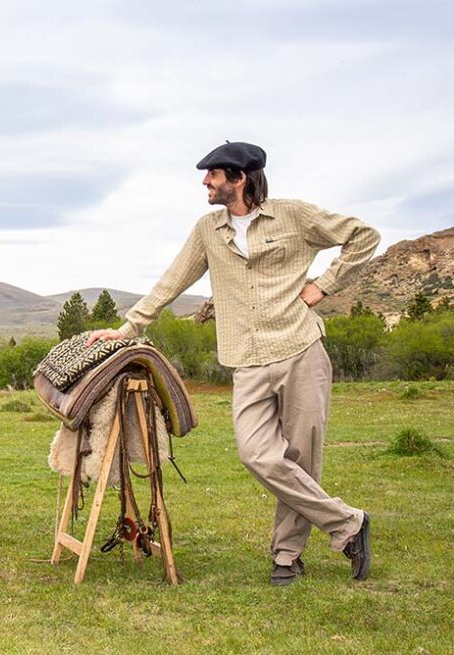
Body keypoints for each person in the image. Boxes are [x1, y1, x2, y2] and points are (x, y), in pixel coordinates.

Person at [88, 142, 378, 585]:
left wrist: (323, 287)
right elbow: (172, 281)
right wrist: (128, 329)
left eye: (213, 175)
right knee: (257, 454)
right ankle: (348, 524)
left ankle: (286, 556)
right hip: (246, 358)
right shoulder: (208, 229)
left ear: (239, 179)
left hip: (300, 348)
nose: (205, 181)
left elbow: (364, 236)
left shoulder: (293, 216)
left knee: (300, 459)